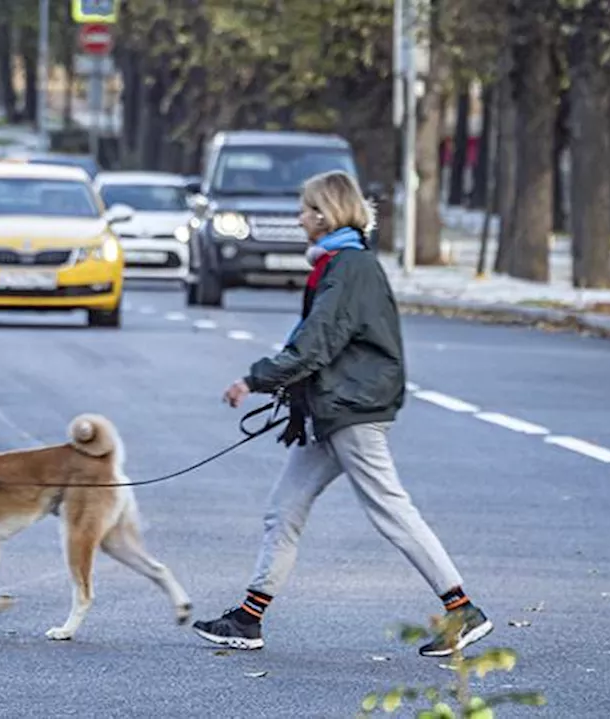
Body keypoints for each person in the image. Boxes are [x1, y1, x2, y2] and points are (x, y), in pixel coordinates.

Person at [191, 170, 493, 657]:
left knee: (391, 510)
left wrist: (256, 379)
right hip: (332, 409)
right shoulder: (338, 264)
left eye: (304, 208)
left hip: (352, 408)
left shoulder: (349, 267)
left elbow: (317, 341)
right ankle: (249, 619)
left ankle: (461, 608)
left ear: (324, 214)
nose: (298, 217)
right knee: (283, 510)